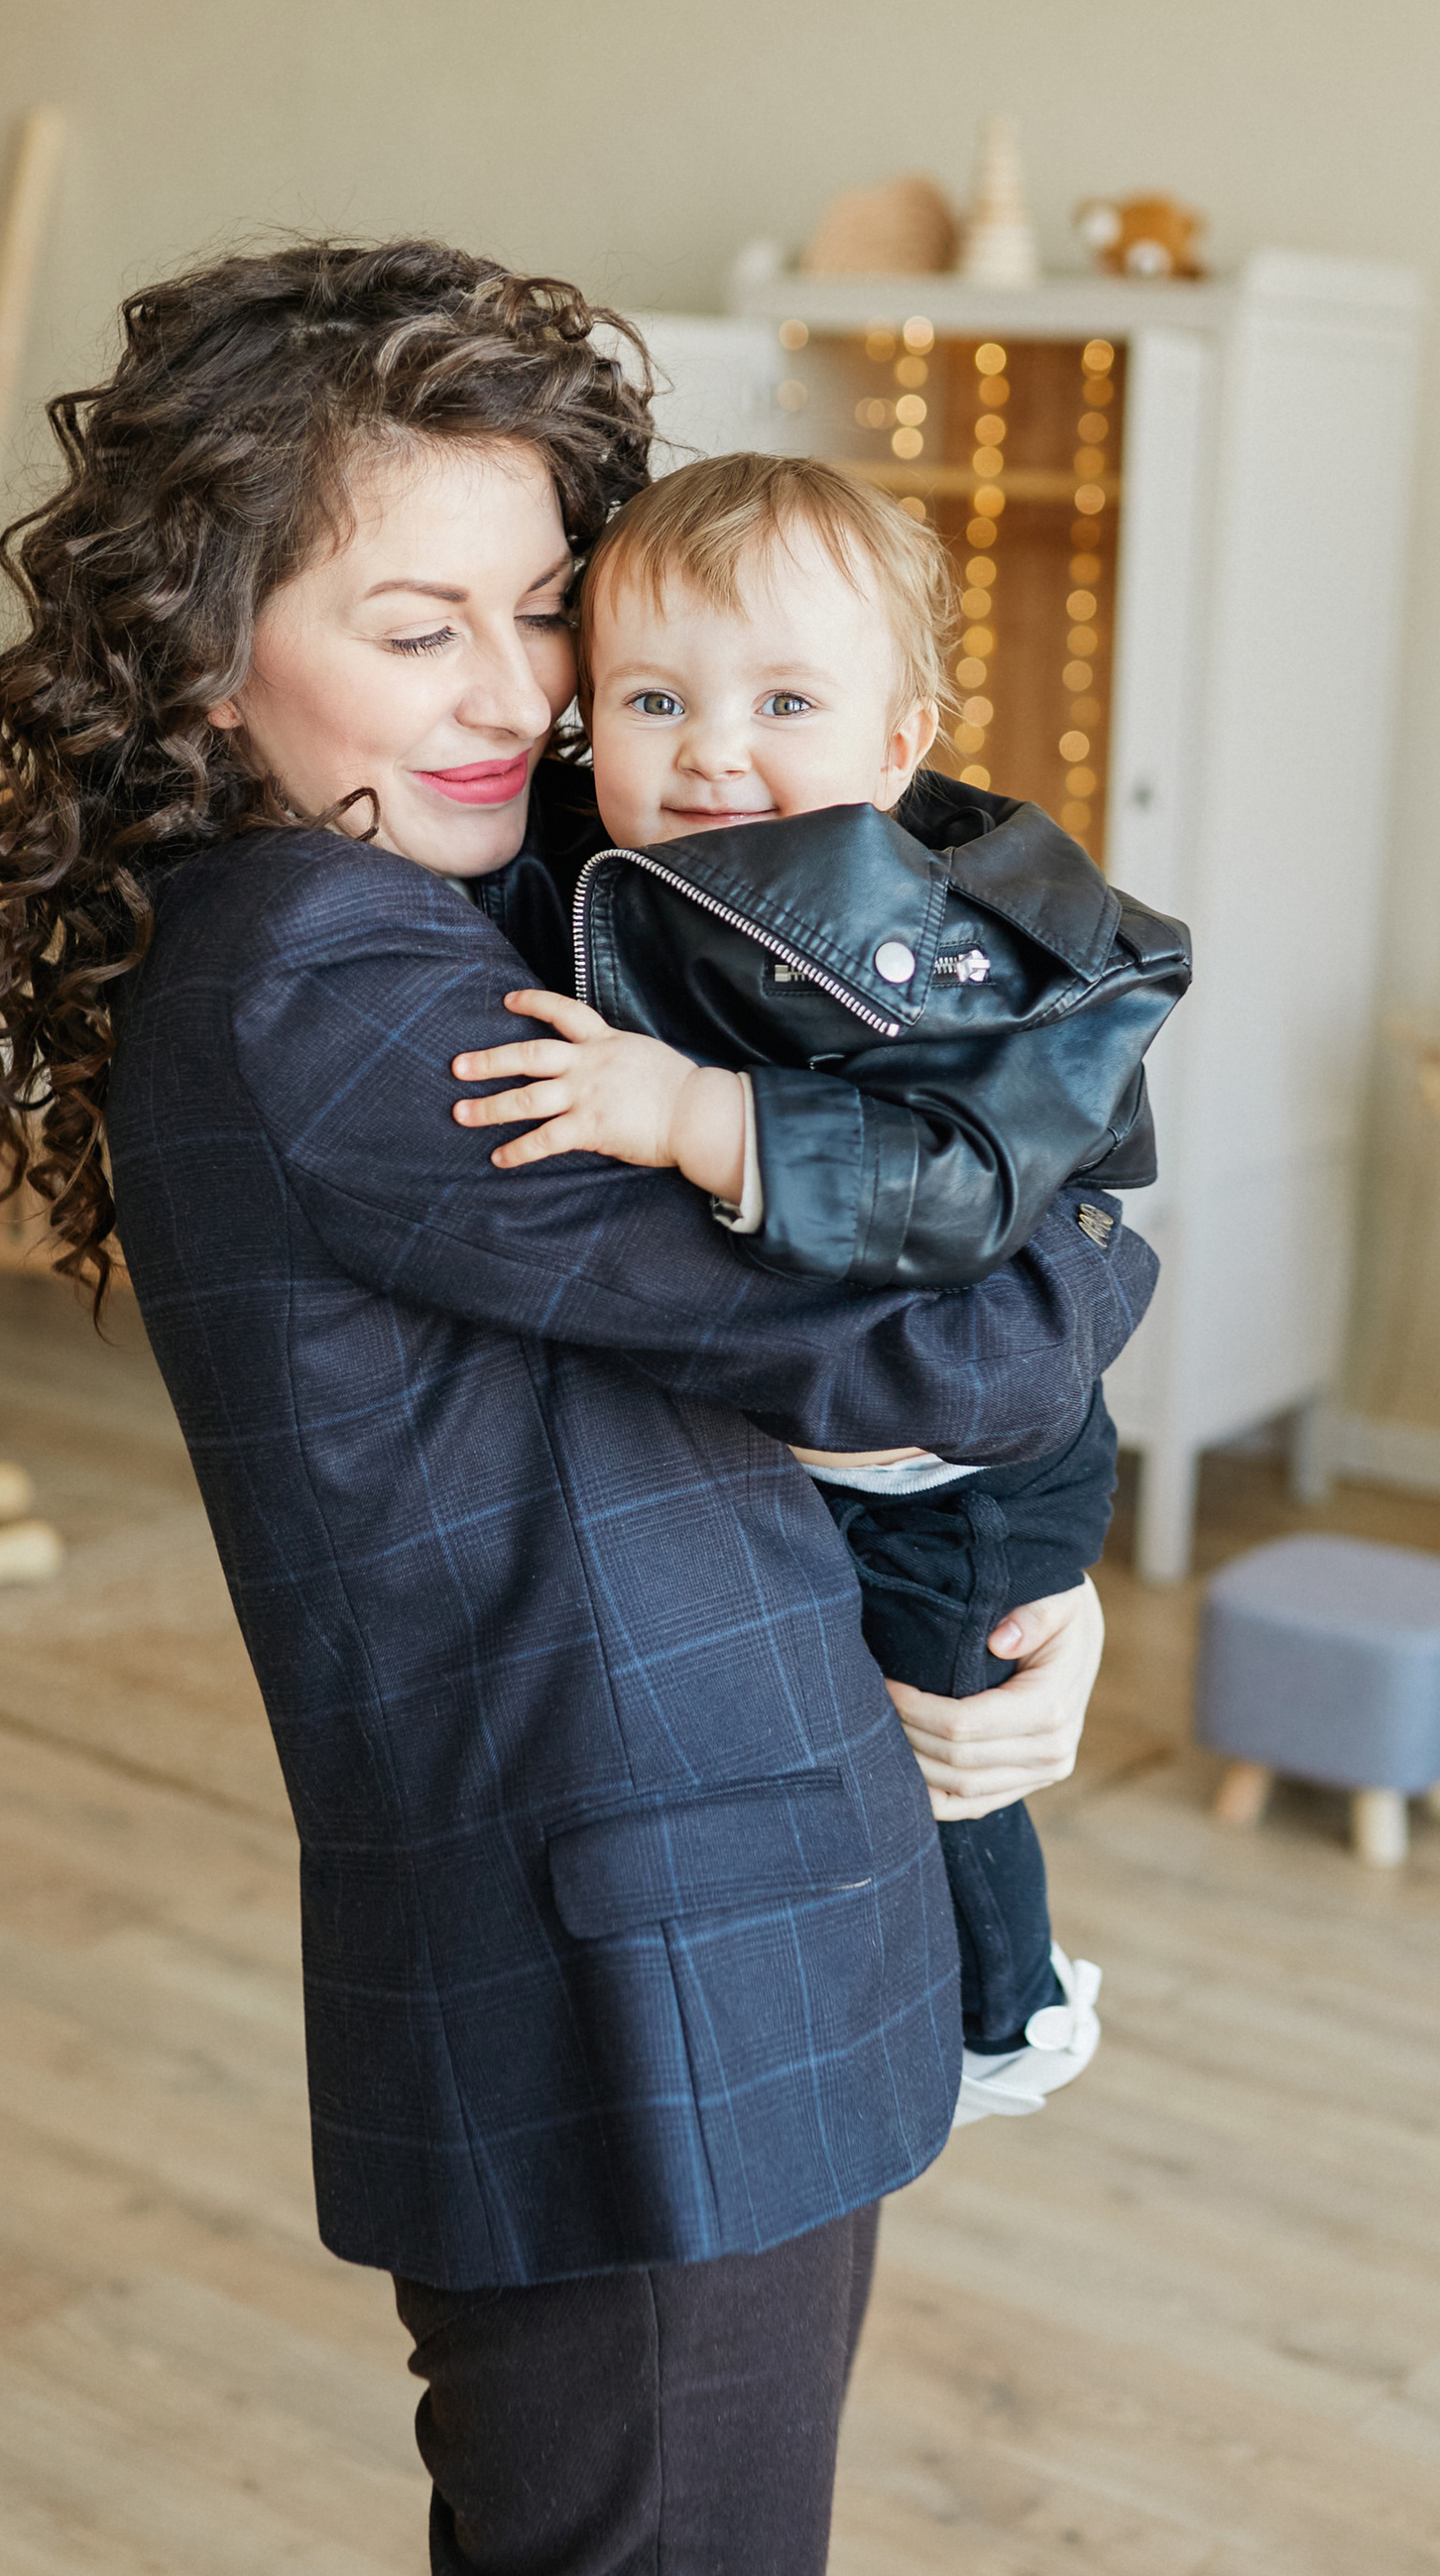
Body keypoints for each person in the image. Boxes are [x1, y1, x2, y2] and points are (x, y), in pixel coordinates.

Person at [0, 238, 1155, 2576]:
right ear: (215, 666)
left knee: (593, 2560)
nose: (504, 694)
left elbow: (874, 1301)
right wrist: (1062, 1240)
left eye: (535, 620)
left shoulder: (478, 918)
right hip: (651, 1936)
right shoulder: (357, 998)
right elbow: (971, 1328)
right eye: (407, 624)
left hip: (653, 1857)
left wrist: (1015, 1550)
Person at [445, 452, 1189, 2120]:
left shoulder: (950, 948)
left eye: (786, 698)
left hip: (961, 1475)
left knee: (945, 1754)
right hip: (818, 1451)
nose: (713, 749)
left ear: (898, 741)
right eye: (653, 698)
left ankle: (1007, 2016)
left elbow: (963, 1187)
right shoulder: (626, 873)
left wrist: (699, 1116)